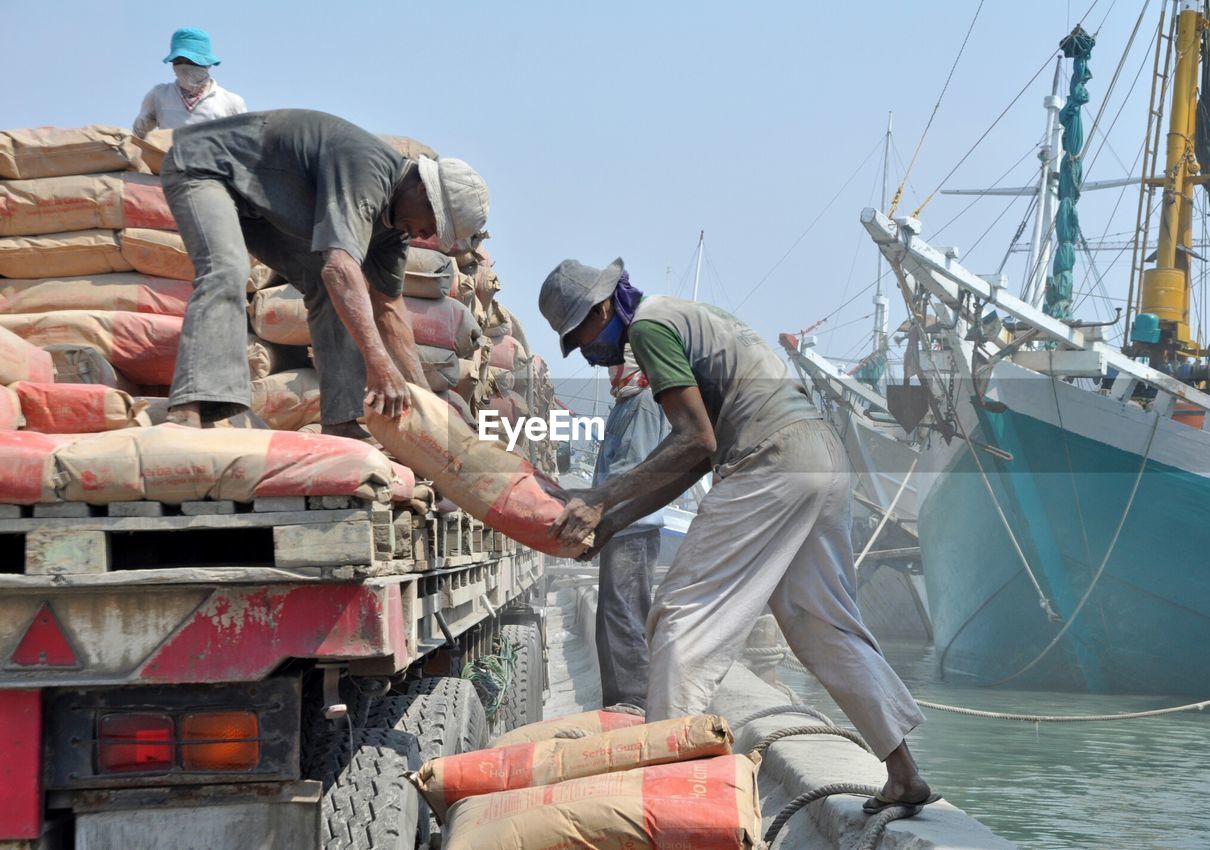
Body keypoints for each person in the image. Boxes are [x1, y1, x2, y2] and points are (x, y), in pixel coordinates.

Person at [539, 258, 937, 815]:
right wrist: (613, 522)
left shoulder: (649, 329)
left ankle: (670, 802)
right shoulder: (683, 318)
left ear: (601, 310)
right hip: (819, 455)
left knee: (681, 617)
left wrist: (603, 496)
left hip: (770, 460)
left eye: (579, 338)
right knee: (822, 624)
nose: (585, 353)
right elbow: (695, 458)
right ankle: (903, 773)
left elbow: (694, 439)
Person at [160, 109, 489, 436]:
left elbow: (389, 309)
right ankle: (190, 406)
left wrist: (426, 407)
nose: (425, 234)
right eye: (432, 224)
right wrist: (378, 363)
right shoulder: (368, 171)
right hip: (205, 168)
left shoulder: (396, 230)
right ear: (422, 191)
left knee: (334, 292)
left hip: (258, 203)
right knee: (228, 268)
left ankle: (341, 421)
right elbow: (340, 268)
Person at [592, 345, 668, 710]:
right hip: (620, 527)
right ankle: (620, 701)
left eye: (614, 363)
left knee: (624, 614)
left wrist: (590, 507)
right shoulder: (624, 403)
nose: (609, 371)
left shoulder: (642, 403)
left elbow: (631, 469)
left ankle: (634, 701)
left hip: (633, 526)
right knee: (613, 615)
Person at [132, 28, 247, 137]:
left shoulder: (231, 102)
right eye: (178, 61)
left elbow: (245, 146)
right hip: (170, 157)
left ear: (207, 64)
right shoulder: (159, 96)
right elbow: (138, 137)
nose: (184, 67)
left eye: (191, 62)